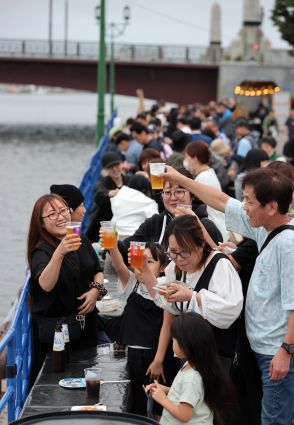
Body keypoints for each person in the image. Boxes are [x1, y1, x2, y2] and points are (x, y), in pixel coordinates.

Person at [161, 165, 294, 425]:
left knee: (275, 419)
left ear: (271, 207)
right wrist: (179, 179)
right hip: (257, 345)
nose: (244, 206)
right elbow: (223, 202)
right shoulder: (264, 227)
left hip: (274, 351)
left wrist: (286, 351)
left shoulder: (288, 245)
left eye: (249, 201)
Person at [141, 215, 243, 383]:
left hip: (218, 356)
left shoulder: (219, 264)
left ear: (201, 245)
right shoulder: (175, 268)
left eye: (185, 252)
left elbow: (230, 311)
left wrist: (192, 296)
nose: (179, 258)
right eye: (173, 252)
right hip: (189, 355)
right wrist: (145, 270)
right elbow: (168, 305)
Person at [27, 194, 109, 384]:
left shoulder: (80, 239)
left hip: (86, 327)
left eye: (63, 210)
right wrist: (60, 252)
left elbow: (97, 270)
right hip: (58, 337)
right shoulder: (41, 251)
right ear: (41, 224)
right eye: (52, 214)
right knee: (57, 388)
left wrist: (96, 291)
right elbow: (45, 285)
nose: (60, 217)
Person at [106, 238, 178, 417]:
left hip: (156, 356)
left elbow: (167, 326)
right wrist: (113, 247)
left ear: (162, 267)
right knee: (134, 404)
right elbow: (119, 266)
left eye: (149, 262)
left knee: (159, 407)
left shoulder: (164, 289)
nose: (142, 265)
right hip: (132, 356)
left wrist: (159, 359)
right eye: (139, 260)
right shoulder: (132, 284)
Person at [117, 168, 223, 265]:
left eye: (179, 192)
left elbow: (219, 262)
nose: (173, 198)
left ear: (192, 194)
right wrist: (113, 243)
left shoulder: (206, 226)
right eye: (167, 192)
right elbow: (127, 249)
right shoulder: (155, 222)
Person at [146, 312, 234, 425]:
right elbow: (190, 395)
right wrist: (165, 390)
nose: (172, 344)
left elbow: (184, 415)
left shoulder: (191, 378)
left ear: (186, 344)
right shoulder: (192, 365)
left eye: (174, 340)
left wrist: (162, 399)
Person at [184, 141, 229, 240]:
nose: (185, 161)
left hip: (213, 229)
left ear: (194, 159)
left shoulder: (204, 177)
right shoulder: (207, 174)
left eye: (187, 157)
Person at [86, 152, 129, 242]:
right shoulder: (103, 183)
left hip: (125, 221)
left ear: (121, 164)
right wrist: (110, 193)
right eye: (110, 167)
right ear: (105, 170)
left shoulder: (129, 180)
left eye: (116, 165)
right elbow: (98, 195)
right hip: (107, 222)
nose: (115, 169)